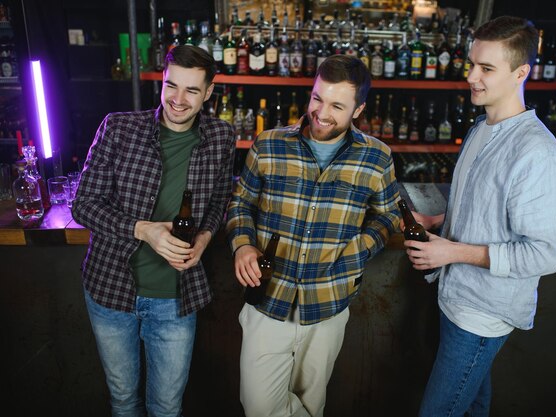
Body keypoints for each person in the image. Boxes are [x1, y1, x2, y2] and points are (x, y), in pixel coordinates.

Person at [402, 16, 556, 417]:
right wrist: (438, 221)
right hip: (454, 296)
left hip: (483, 313)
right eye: (472, 64)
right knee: (475, 404)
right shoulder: (482, 128)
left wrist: (453, 253)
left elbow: (545, 255)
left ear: (521, 73)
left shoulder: (539, 154)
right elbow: (484, 206)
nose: (472, 77)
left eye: (486, 69)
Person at [226, 55, 400, 417]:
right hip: (268, 297)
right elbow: (240, 203)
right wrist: (243, 243)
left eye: (337, 105)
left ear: (358, 109)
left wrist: (357, 251)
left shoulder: (376, 157)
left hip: (328, 301)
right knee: (258, 406)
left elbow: (388, 214)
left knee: (311, 403)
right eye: (318, 98)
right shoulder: (269, 144)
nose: (322, 112)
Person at [72, 45, 235, 416]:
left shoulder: (221, 137)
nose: (177, 100)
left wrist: (207, 237)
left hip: (176, 299)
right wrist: (143, 230)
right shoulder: (119, 127)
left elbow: (218, 199)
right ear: (162, 82)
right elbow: (83, 204)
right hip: (111, 290)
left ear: (209, 92)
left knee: (166, 407)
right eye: (171, 86)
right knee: (124, 401)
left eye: (192, 90)